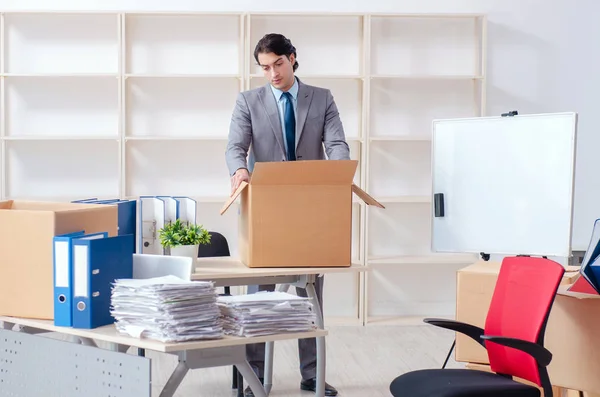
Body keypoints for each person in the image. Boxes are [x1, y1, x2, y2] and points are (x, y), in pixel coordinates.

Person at [225, 33, 349, 397]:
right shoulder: (248, 100)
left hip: (312, 208)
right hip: (265, 207)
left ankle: (312, 375)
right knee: (258, 298)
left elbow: (337, 143)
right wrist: (239, 170)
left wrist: (338, 172)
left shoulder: (321, 98)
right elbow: (235, 146)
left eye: (278, 63)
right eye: (264, 67)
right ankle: (255, 378)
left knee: (309, 296)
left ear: (292, 58)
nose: (272, 73)